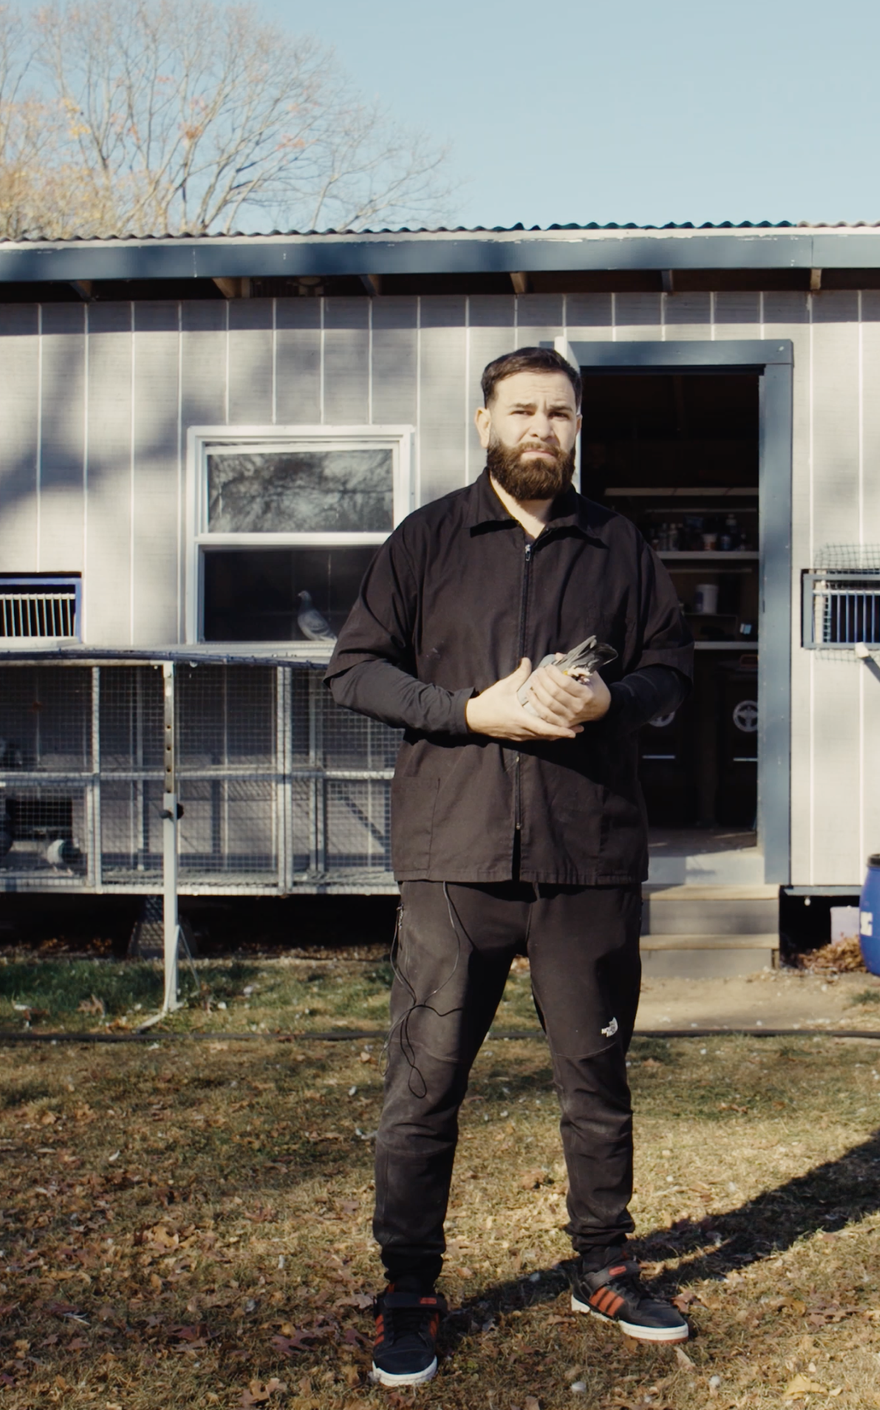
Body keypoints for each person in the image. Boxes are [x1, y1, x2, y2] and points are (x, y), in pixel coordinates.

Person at [326, 346, 696, 1387]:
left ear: (577, 429)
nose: (542, 428)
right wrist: (468, 712)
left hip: (589, 856)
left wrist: (610, 700)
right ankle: (409, 1286)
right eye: (523, 411)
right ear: (484, 422)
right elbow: (353, 671)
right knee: (426, 1082)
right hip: (456, 858)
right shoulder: (428, 540)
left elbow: (675, 670)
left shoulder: (617, 544)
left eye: (560, 414)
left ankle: (604, 1264)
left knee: (594, 1074)